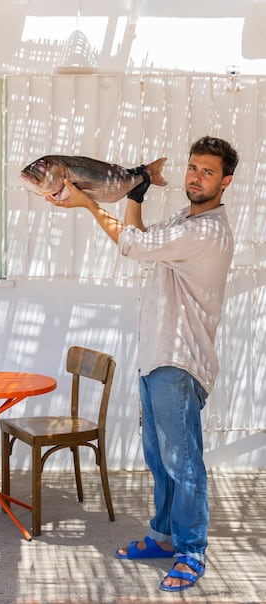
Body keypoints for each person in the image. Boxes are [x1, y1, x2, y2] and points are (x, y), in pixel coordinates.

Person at [45, 136, 239, 592]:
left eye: (208, 171)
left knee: (183, 461)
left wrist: (89, 206)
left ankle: (191, 551)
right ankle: (163, 536)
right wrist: (136, 192)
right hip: (156, 355)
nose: (195, 176)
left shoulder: (206, 231)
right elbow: (141, 237)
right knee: (158, 457)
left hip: (179, 360)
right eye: (193, 167)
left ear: (226, 181)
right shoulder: (185, 220)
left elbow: (131, 245)